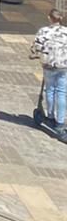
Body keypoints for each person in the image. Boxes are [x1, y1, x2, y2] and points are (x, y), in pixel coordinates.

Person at [30, 9, 67, 140]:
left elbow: (37, 47)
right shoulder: (66, 32)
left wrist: (35, 54)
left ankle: (50, 116)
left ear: (49, 18)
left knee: (50, 90)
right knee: (62, 92)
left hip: (49, 65)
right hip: (63, 65)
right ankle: (60, 121)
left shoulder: (44, 31)